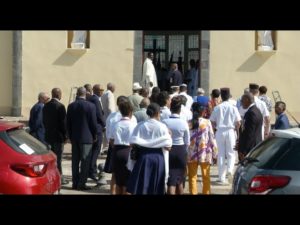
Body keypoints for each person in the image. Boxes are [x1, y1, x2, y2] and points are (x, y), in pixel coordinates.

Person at [126, 103, 172, 194]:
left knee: (142, 186)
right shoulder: (162, 127)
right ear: (158, 113)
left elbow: (131, 143)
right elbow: (168, 147)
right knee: (156, 187)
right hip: (158, 158)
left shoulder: (140, 125)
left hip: (143, 157)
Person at [210, 88, 241, 185]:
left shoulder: (217, 107)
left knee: (221, 154)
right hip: (230, 131)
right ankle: (230, 170)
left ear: (221, 97)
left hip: (220, 131)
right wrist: (237, 130)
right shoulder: (233, 107)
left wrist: (216, 127)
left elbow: (212, 121)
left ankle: (221, 177)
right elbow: (238, 122)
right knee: (231, 153)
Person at [188, 102, 218, 194]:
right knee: (206, 176)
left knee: (192, 177)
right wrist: (215, 153)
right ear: (203, 112)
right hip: (204, 153)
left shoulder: (189, 123)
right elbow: (212, 138)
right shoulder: (207, 122)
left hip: (191, 153)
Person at [162, 96, 190, 195]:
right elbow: (187, 142)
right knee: (180, 180)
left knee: (171, 180)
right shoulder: (184, 123)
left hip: (168, 150)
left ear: (170, 108)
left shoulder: (164, 122)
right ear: (180, 109)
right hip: (181, 150)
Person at [43, 88, 69, 185]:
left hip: (48, 136)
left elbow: (44, 121)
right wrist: (66, 136)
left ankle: (50, 177)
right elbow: (63, 123)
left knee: (50, 159)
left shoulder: (46, 106)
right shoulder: (60, 106)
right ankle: (59, 179)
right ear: (58, 95)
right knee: (58, 159)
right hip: (58, 137)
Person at [111, 101, 137, 194]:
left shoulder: (116, 124)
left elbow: (111, 140)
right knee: (128, 182)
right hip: (128, 151)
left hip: (117, 151)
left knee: (119, 182)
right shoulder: (133, 125)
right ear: (130, 112)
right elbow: (135, 142)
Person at [87, 84, 106, 181]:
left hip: (94, 128)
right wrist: (104, 125)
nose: (102, 91)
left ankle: (91, 170)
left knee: (93, 151)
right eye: (100, 90)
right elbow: (99, 114)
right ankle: (92, 171)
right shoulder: (95, 99)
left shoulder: (91, 99)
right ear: (95, 90)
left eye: (103, 90)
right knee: (96, 150)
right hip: (98, 128)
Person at [237, 93, 263, 161]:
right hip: (254, 146)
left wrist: (244, 151)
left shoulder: (251, 113)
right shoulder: (256, 110)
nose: (241, 103)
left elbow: (249, 134)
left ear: (247, 100)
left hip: (250, 148)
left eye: (242, 100)